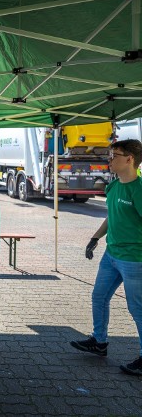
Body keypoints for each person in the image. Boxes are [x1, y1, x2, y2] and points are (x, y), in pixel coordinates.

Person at [70, 139, 142, 376]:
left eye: (115, 156)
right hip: (112, 255)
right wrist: (95, 238)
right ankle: (99, 342)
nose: (109, 160)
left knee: (137, 309)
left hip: (133, 260)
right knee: (99, 297)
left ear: (130, 159)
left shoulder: (138, 190)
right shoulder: (113, 187)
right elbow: (113, 218)